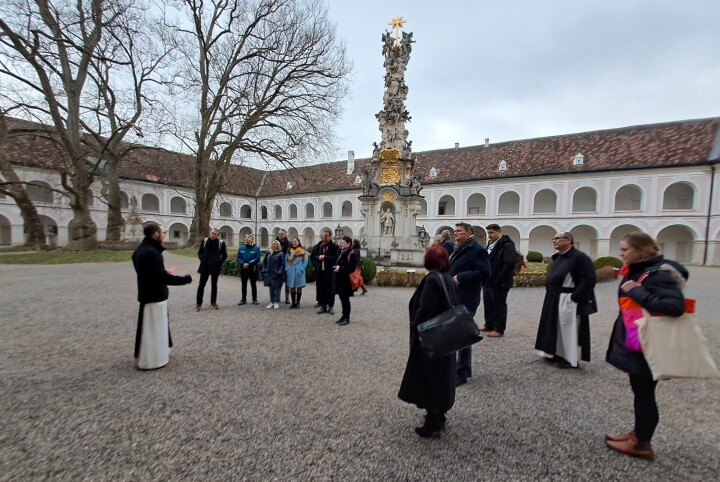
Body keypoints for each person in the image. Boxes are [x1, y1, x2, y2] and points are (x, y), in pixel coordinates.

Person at [605, 232, 688, 460]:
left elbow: (674, 306)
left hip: (648, 342)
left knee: (644, 394)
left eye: (624, 250)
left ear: (641, 251)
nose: (620, 254)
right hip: (639, 339)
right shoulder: (644, 269)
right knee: (640, 391)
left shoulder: (658, 274)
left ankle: (642, 444)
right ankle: (637, 434)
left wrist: (636, 290)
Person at [398, 244, 458, 437]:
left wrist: (416, 327)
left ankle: (432, 420)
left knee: (429, 376)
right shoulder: (447, 277)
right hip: (446, 334)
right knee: (442, 376)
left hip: (431, 336)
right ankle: (440, 414)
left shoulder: (432, 279)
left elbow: (425, 308)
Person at [131, 221, 192, 370]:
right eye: (163, 232)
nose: (164, 235)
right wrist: (185, 279)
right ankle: (152, 360)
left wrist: (163, 273)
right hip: (154, 296)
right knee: (154, 329)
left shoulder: (140, 250)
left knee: (151, 328)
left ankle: (151, 356)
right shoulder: (152, 253)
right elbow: (161, 278)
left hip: (148, 294)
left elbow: (149, 274)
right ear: (155, 234)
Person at [535, 231, 597, 368]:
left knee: (568, 328)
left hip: (568, 298)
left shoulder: (580, 258)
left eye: (557, 238)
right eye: (553, 239)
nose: (554, 241)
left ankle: (569, 358)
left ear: (568, 240)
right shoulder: (560, 257)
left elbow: (589, 279)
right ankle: (553, 353)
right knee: (553, 327)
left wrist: (575, 297)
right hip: (554, 297)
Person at [450, 222, 491, 386]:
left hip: (467, 296)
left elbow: (485, 272)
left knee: (462, 334)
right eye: (455, 231)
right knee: (459, 333)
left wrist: (461, 277)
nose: (455, 233)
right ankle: (462, 368)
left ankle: (462, 371)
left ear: (469, 232)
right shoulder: (459, 247)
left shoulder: (477, 249)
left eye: (459, 231)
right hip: (457, 294)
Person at [482, 224, 517, 337]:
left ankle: (499, 328)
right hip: (488, 280)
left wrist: (499, 278)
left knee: (498, 305)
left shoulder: (507, 245)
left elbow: (509, 264)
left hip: (499, 281)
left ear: (499, 232)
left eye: (491, 233)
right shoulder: (491, 244)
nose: (489, 235)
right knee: (488, 304)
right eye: (488, 233)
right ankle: (489, 324)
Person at [196, 228, 227, 311]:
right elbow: (200, 252)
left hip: (215, 266)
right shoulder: (204, 241)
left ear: (218, 235)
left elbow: (224, 255)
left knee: (214, 285)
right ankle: (199, 303)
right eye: (212, 233)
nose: (213, 235)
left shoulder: (221, 243)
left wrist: (219, 262)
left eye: (215, 234)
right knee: (201, 285)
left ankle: (213, 302)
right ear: (210, 233)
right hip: (205, 266)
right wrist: (202, 259)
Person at [312, 229, 339, 315]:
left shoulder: (335, 246)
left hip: (330, 271)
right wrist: (318, 259)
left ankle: (330, 306)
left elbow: (336, 258)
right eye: (323, 235)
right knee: (322, 289)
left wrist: (325, 257)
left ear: (330, 236)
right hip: (320, 271)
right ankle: (323, 306)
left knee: (331, 290)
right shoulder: (319, 246)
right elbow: (314, 256)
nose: (324, 237)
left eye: (326, 235)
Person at [332, 236, 356, 326]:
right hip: (339, 278)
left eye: (343, 242)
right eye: (341, 242)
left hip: (346, 279)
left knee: (345, 299)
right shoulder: (340, 251)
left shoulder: (351, 253)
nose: (341, 244)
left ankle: (347, 317)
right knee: (342, 298)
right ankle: (343, 316)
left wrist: (340, 268)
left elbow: (352, 267)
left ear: (348, 243)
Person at [236, 233, 261, 305]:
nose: (247, 238)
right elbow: (238, 257)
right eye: (246, 237)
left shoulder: (256, 248)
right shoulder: (241, 248)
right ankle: (243, 299)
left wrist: (249, 263)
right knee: (243, 284)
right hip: (243, 268)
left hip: (252, 268)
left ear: (252, 239)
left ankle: (255, 299)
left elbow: (257, 258)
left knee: (253, 284)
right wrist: (242, 263)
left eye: (249, 237)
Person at [285, 237, 308, 308]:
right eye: (292, 242)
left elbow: (305, 261)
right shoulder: (289, 251)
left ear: (298, 242)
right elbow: (286, 260)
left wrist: (302, 268)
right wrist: (287, 268)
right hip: (291, 270)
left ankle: (298, 303)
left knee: (299, 287)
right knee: (292, 287)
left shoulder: (302, 251)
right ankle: (293, 303)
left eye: (295, 241)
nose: (294, 243)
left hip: (299, 270)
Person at [262, 240, 285, 309]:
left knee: (277, 288)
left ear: (278, 245)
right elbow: (264, 262)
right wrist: (264, 270)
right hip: (269, 273)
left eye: (275, 244)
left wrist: (279, 272)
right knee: (271, 288)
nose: (273, 245)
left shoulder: (280, 254)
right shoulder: (268, 253)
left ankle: (276, 302)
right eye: (272, 244)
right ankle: (271, 302)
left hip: (277, 274)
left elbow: (283, 264)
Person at [276, 229, 291, 304]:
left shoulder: (288, 243)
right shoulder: (275, 242)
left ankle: (287, 297)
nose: (280, 235)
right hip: (277, 265)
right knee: (278, 281)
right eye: (279, 233)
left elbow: (288, 254)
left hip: (286, 264)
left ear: (285, 235)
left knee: (287, 282)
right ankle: (278, 297)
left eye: (281, 234)